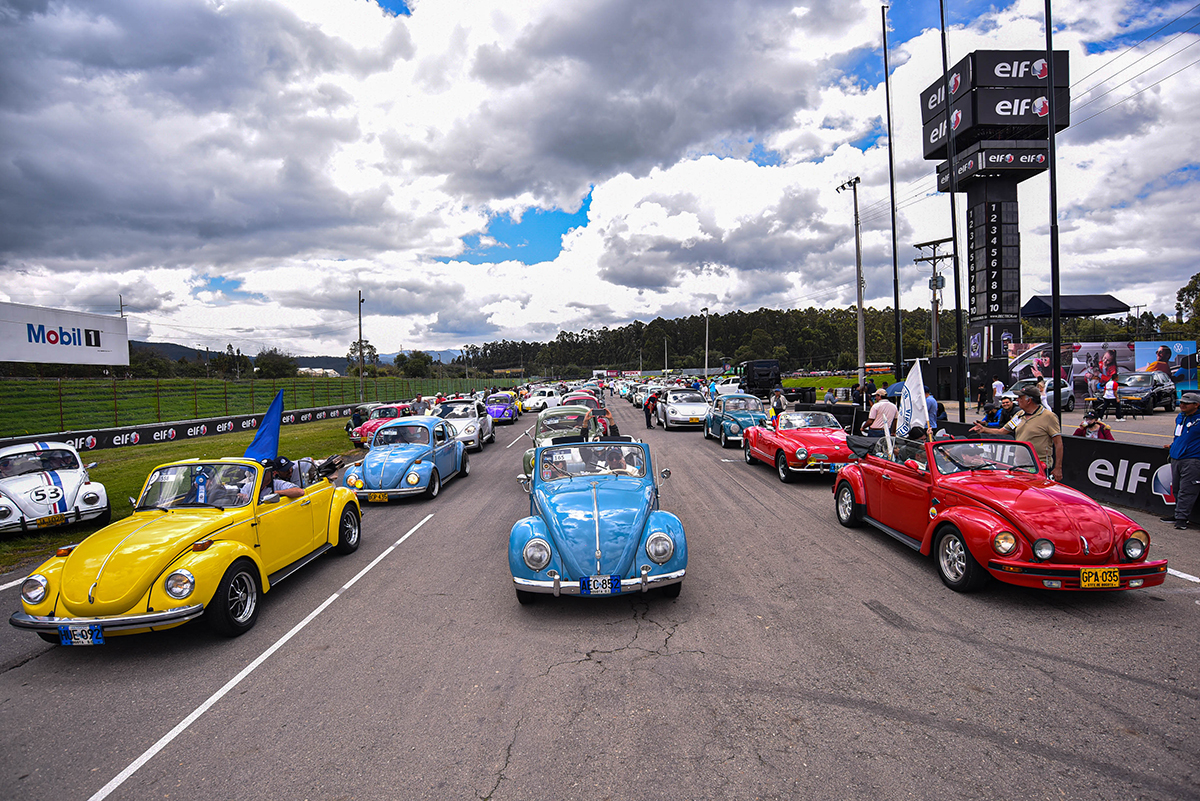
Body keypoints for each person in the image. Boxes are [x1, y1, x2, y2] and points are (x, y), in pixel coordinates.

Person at [975, 386, 1063, 481]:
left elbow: (1058, 443)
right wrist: (984, 429)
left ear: (1029, 400)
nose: (1017, 400)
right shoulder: (1019, 415)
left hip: (1039, 467)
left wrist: (1058, 467)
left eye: (1020, 398)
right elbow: (1003, 431)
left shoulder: (1049, 417)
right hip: (1019, 466)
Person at [1164, 393, 1200, 529]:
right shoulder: (1180, 417)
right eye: (1181, 402)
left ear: (1196, 405)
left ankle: (1182, 519)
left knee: (1188, 490)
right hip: (1176, 457)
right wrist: (1173, 446)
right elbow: (1178, 435)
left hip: (1193, 459)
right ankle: (1178, 514)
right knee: (1177, 489)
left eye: (1187, 403)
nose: (1182, 405)